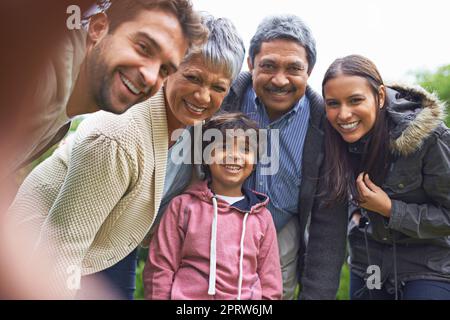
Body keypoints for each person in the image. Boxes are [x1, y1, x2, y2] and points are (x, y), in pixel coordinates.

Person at [6, 13, 245, 299]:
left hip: (112, 244)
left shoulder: (193, 126)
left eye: (218, 87)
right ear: (168, 72)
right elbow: (60, 251)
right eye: (192, 77)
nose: (203, 97)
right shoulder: (117, 138)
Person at [0, 0, 207, 181]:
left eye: (164, 70)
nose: (151, 76)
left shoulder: (62, 112)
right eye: (143, 47)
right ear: (98, 28)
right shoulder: (39, 75)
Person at [220, 14, 348, 299]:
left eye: (293, 68)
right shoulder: (222, 100)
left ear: (309, 71)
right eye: (268, 66)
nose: (280, 80)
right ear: (251, 64)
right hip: (212, 235)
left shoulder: (325, 126)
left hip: (280, 245)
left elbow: (329, 223)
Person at [321, 54, 450, 300]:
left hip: (428, 267)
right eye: (333, 103)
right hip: (369, 264)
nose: (344, 114)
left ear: (380, 96)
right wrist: (354, 214)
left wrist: (390, 209)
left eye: (355, 100)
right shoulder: (330, 136)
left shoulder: (431, 138)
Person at [144, 112, 283, 300]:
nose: (234, 156)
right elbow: (161, 267)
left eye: (245, 149)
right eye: (223, 147)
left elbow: (270, 282)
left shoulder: (262, 217)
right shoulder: (182, 207)